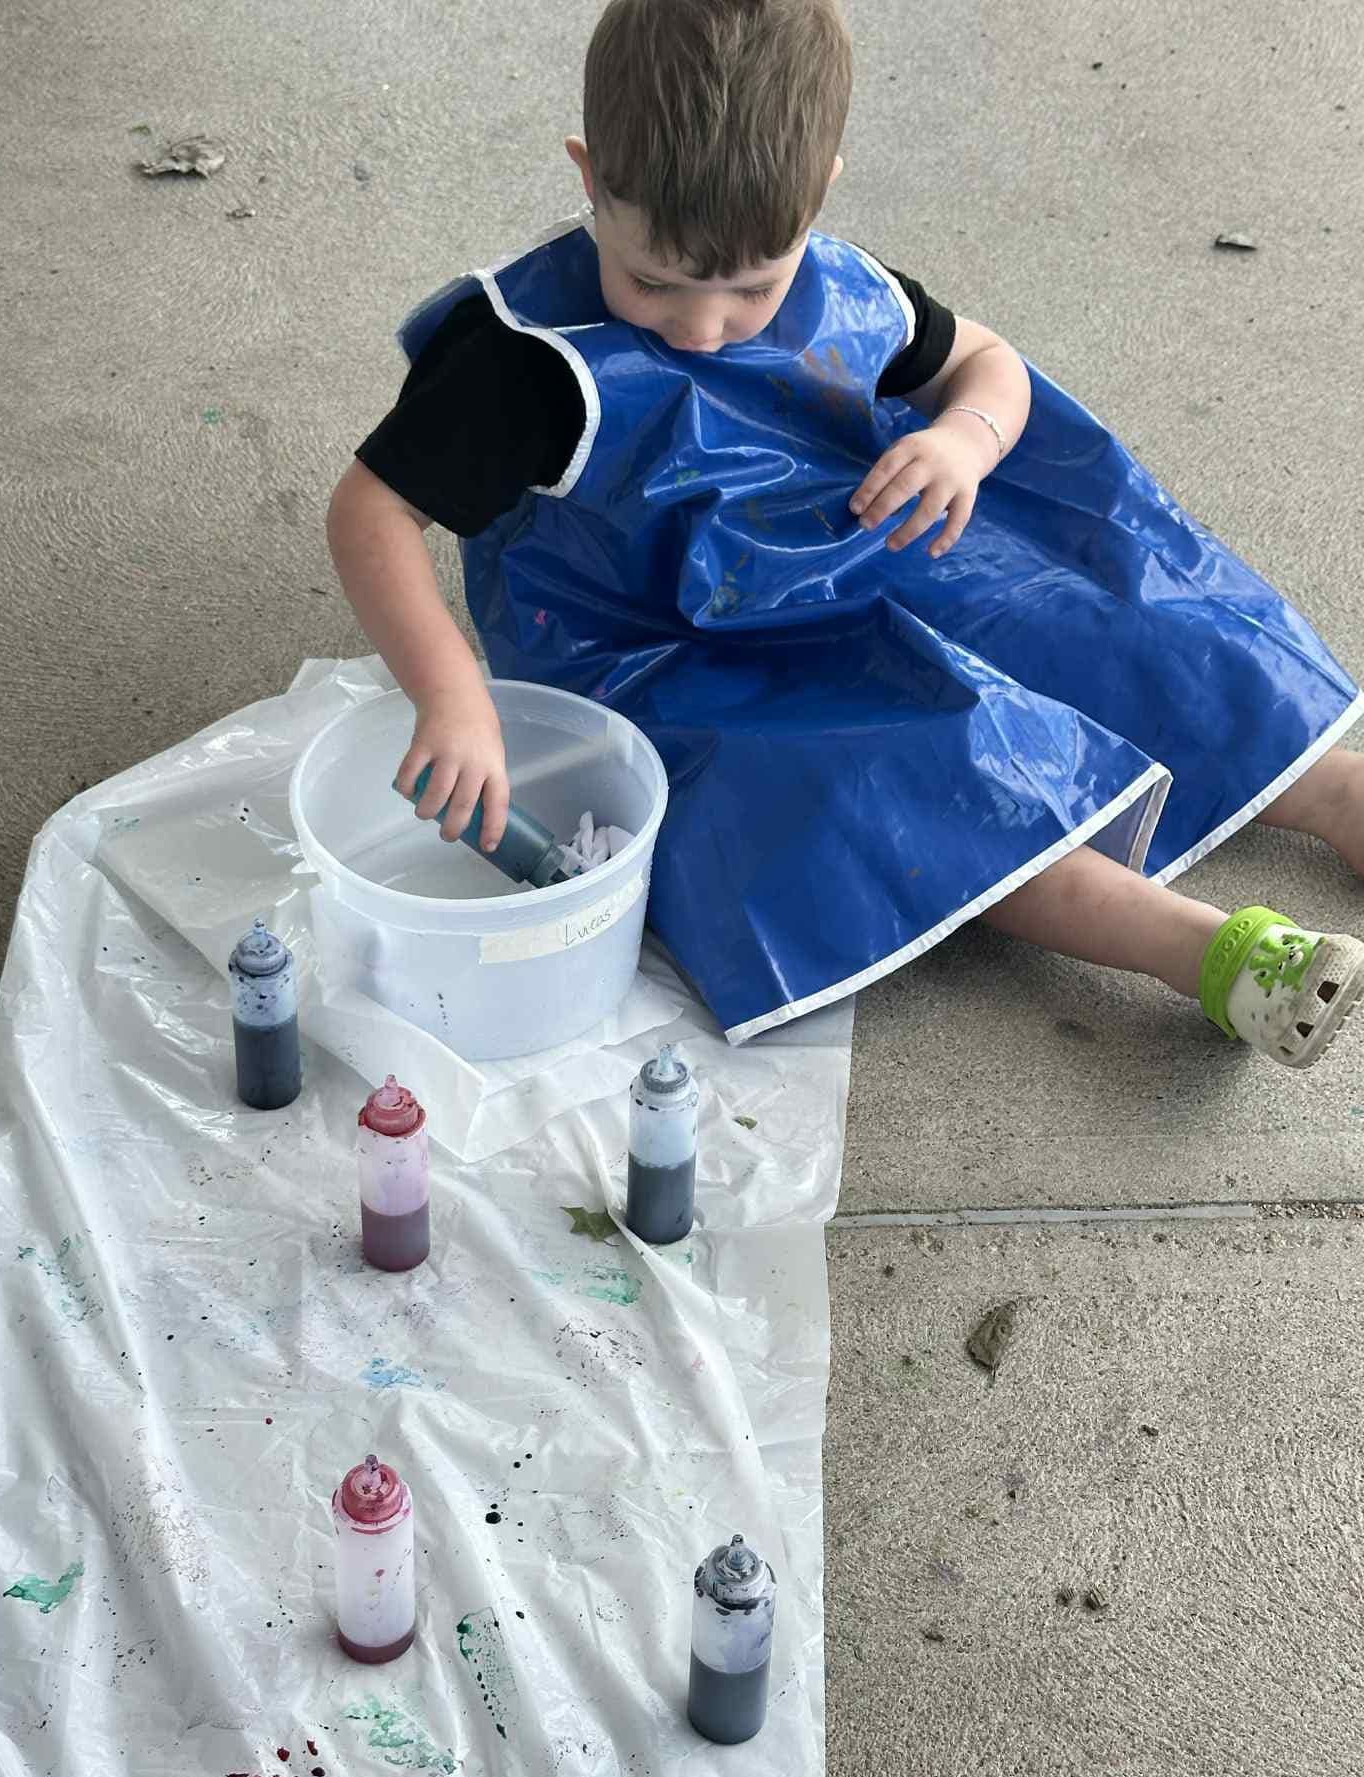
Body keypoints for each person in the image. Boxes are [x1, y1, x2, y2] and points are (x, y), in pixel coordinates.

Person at [327, 0, 1364, 1068]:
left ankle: (1338, 793)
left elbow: (987, 365)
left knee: (1110, 622)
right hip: (667, 644)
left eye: (752, 287)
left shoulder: (844, 285)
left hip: (853, 546)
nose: (702, 326)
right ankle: (1202, 949)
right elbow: (373, 510)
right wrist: (452, 694)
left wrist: (963, 438)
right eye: (652, 281)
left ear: (819, 194)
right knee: (904, 777)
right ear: (589, 178)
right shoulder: (524, 364)